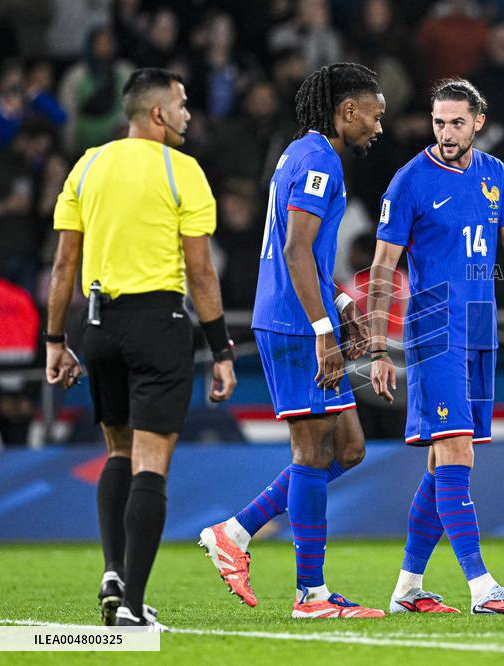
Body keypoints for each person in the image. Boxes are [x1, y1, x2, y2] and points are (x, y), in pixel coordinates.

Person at [368, 78, 504, 615]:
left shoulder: (495, 174)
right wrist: (376, 348)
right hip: (434, 328)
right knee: (455, 448)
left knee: (445, 463)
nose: (446, 132)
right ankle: (483, 587)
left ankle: (408, 588)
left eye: (457, 122)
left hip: (480, 327)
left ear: (478, 121)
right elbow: (383, 267)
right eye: (439, 122)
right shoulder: (409, 181)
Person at [45, 68, 237, 630]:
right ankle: (131, 609)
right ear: (156, 113)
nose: (187, 114)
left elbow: (63, 264)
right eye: (181, 104)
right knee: (152, 463)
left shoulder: (88, 165)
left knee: (118, 453)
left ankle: (112, 570)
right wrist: (220, 347)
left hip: (97, 325)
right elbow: (200, 269)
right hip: (159, 324)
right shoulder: (183, 172)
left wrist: (57, 341)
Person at [197, 63, 385, 620]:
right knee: (311, 451)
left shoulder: (302, 154)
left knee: (349, 446)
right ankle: (312, 594)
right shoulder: (318, 160)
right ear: (347, 111)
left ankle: (235, 531)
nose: (378, 127)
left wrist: (344, 304)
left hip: (309, 312)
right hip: (294, 323)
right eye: (374, 115)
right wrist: (325, 330)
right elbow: (295, 253)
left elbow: (306, 251)